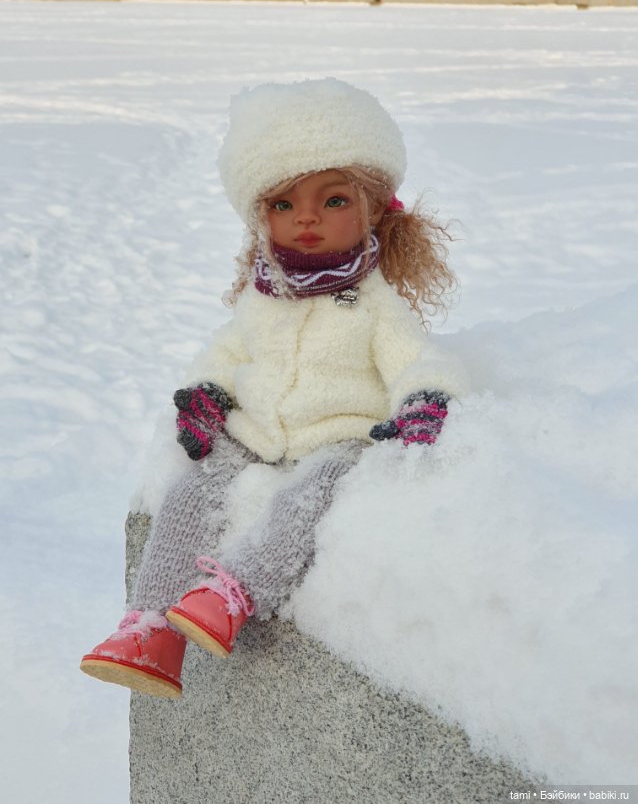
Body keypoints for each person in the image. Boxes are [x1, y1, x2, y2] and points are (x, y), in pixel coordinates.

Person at [80, 78, 468, 700]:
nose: (305, 217)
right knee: (190, 493)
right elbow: (228, 349)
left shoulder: (374, 304)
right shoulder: (264, 295)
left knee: (307, 498)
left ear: (374, 208)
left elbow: (417, 360)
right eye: (283, 205)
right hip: (255, 431)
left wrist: (423, 397)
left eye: (333, 200)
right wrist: (205, 391)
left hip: (339, 435)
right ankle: (149, 628)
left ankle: (232, 594)